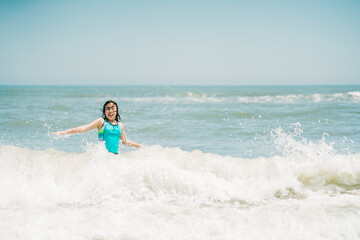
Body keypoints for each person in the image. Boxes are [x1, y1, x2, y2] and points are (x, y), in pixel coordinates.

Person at [53, 100, 143, 154]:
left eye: (112, 108)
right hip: (103, 157)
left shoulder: (120, 126)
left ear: (117, 111)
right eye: (107, 108)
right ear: (104, 111)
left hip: (115, 158)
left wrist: (141, 146)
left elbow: (125, 141)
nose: (110, 110)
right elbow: (83, 129)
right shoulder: (101, 122)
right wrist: (65, 132)